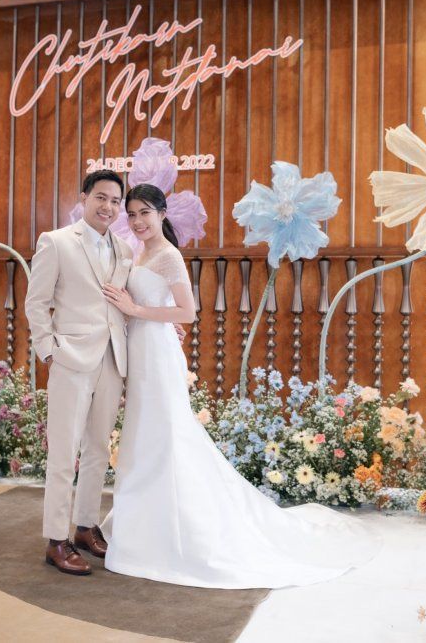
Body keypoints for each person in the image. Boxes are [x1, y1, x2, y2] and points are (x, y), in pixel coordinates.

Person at [99, 183, 381, 588]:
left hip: (158, 357)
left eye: (145, 212)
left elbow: (188, 312)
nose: (137, 221)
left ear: (161, 214)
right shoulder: (139, 253)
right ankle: (143, 522)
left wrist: (136, 309)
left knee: (166, 435)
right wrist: (136, 313)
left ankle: (179, 528)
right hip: (142, 350)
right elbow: (160, 309)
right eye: (132, 214)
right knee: (143, 436)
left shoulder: (169, 255)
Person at [24, 169, 134, 576]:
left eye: (115, 201)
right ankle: (56, 540)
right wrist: (48, 352)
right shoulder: (55, 242)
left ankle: (86, 527)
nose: (108, 207)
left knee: (98, 448)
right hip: (70, 359)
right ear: (84, 197)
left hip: (112, 359)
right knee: (63, 451)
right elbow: (36, 302)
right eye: (101, 197)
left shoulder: (125, 249)